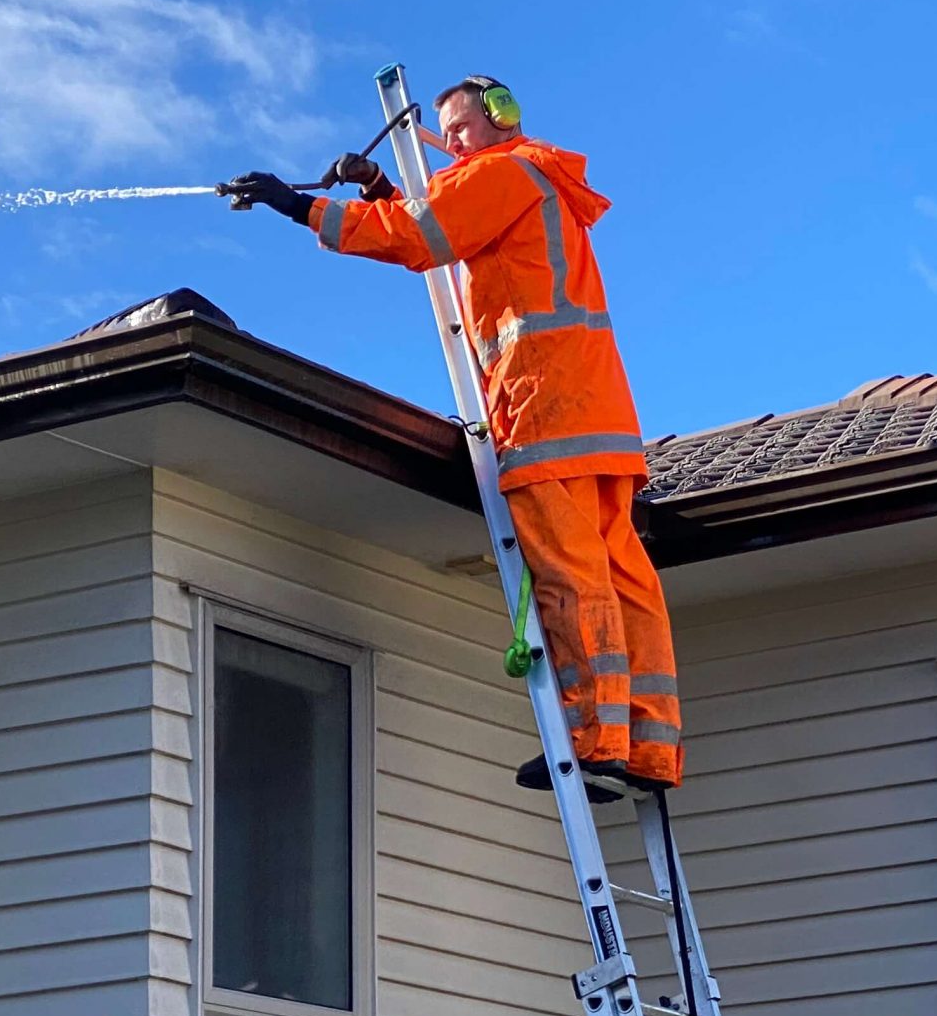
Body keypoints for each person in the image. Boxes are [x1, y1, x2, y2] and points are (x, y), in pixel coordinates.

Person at [223, 77, 679, 802]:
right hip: (598, 415)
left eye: (464, 126)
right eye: (451, 130)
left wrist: (297, 205)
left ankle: (598, 743)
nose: (457, 140)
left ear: (501, 122)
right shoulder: (537, 179)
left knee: (570, 579)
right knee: (624, 575)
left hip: (541, 407)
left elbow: (415, 239)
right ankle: (648, 749)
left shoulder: (500, 173)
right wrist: (375, 183)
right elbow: (443, 227)